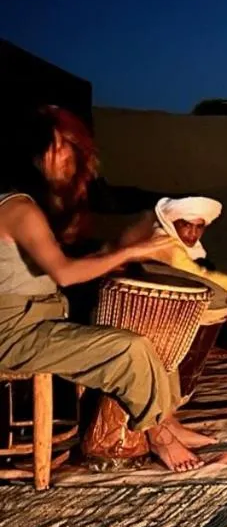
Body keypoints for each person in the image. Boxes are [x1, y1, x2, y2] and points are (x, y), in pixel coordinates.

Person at [0, 106, 209, 473]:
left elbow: (59, 264)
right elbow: (63, 273)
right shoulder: (19, 209)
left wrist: (116, 251)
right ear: (36, 155)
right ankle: (159, 435)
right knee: (130, 348)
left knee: (144, 332)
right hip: (14, 333)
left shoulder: (28, 206)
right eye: (60, 146)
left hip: (40, 320)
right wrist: (130, 250)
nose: (68, 156)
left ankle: (168, 419)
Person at [120, 196, 227, 303]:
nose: (193, 233)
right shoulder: (166, 245)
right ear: (172, 222)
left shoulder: (173, 241)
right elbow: (205, 279)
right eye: (186, 225)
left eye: (199, 227)